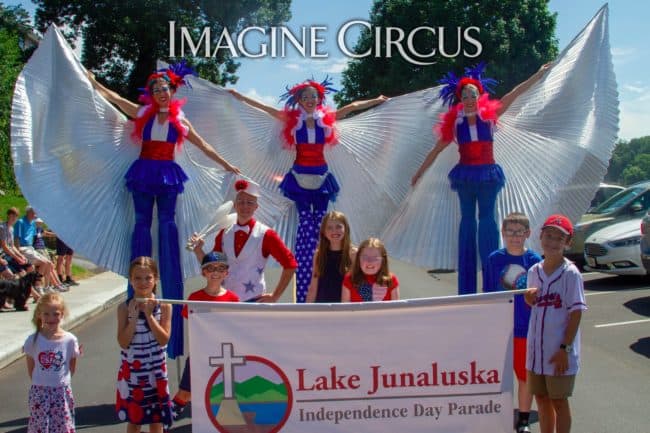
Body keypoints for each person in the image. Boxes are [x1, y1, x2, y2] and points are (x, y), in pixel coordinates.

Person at [87, 64, 239, 357]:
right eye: (155, 90)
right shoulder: (141, 113)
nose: (160, 93)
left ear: (172, 92)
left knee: (168, 228)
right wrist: (93, 82)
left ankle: (171, 308)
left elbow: (204, 144)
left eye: (164, 89)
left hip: (168, 174)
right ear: (151, 95)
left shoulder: (180, 119)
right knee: (142, 225)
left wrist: (226, 165)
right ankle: (136, 298)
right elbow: (115, 99)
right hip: (144, 172)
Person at [229, 79, 388, 303]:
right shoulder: (293, 120)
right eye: (305, 97)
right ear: (299, 101)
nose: (310, 100)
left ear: (319, 99)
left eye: (314, 96)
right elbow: (266, 109)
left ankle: (331, 263)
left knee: (324, 222)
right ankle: (306, 284)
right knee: (305, 222)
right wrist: (241, 97)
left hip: (322, 176)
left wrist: (376, 100)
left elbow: (351, 107)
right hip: (299, 177)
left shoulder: (326, 118)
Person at [411, 62, 551, 295]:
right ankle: (466, 288)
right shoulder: (454, 124)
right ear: (459, 98)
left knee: (487, 221)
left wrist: (538, 74)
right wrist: (419, 172)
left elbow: (514, 94)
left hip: (487, 175)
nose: (468, 98)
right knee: (467, 223)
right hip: (465, 176)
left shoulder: (489, 116)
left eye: (472, 94)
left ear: (479, 95)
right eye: (464, 95)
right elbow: (436, 150)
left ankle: (491, 284)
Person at [524, 214, 587, 433]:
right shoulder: (534, 272)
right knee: (541, 398)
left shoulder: (571, 274)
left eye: (559, 238)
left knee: (559, 401)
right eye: (548, 235)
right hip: (537, 351)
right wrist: (528, 299)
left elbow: (576, 313)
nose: (552, 242)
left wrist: (564, 349)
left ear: (567, 242)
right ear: (541, 237)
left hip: (559, 351)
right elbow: (535, 305)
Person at [190, 178, 297, 302]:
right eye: (241, 201)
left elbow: (290, 264)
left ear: (256, 207)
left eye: (249, 202)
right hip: (226, 301)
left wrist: (275, 296)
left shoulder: (266, 234)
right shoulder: (224, 233)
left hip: (253, 301)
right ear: (235, 205)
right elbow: (213, 267)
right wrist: (198, 250)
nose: (244, 206)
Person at [484, 212, 542, 433]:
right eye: (510, 232)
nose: (515, 237)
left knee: (524, 375)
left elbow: (540, 298)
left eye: (520, 232)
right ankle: (497, 415)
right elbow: (488, 294)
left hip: (524, 329)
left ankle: (524, 420)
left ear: (527, 234)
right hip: (501, 328)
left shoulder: (535, 261)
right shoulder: (494, 259)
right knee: (497, 376)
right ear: (503, 233)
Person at [170, 251, 240, 420]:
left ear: (226, 273)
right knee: (185, 393)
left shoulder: (233, 299)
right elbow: (192, 326)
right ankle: (165, 422)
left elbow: (237, 328)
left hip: (224, 355)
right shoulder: (194, 298)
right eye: (210, 268)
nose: (215, 272)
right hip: (199, 354)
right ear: (204, 273)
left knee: (221, 393)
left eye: (220, 268)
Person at [116, 257, 173, 432]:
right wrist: (133, 318)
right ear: (131, 280)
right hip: (134, 370)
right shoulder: (124, 308)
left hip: (155, 370)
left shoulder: (165, 306)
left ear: (155, 279)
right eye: (137, 278)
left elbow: (164, 339)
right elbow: (123, 343)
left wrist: (149, 316)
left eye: (148, 278)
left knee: (156, 420)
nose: (143, 283)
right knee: (135, 419)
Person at [23, 292, 80, 433]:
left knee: (62, 426)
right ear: (39, 315)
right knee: (40, 427)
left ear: (62, 314)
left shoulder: (69, 340)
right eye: (46, 314)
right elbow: (31, 367)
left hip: (61, 392)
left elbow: (71, 366)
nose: (51, 318)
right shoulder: (33, 340)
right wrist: (42, 382)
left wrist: (60, 382)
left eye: (55, 314)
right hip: (39, 392)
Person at [306, 211, 356, 303]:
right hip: (322, 309)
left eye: (338, 227)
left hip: (346, 309)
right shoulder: (318, 254)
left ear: (346, 229)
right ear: (324, 232)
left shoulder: (353, 254)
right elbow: (313, 286)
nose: (334, 231)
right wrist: (306, 311)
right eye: (329, 228)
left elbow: (361, 285)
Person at [14, 206, 66, 292]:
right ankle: (38, 285)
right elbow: (16, 239)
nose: (35, 214)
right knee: (44, 263)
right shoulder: (21, 222)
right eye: (34, 212)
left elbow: (35, 237)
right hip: (23, 248)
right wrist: (18, 253)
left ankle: (46, 287)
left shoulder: (33, 223)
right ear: (28, 213)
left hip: (31, 248)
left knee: (49, 263)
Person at [341, 237, 399, 302]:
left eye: (375, 257)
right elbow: (345, 309)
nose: (370, 261)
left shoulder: (391, 280)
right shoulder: (349, 279)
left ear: (383, 260)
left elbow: (396, 309)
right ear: (358, 259)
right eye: (365, 257)